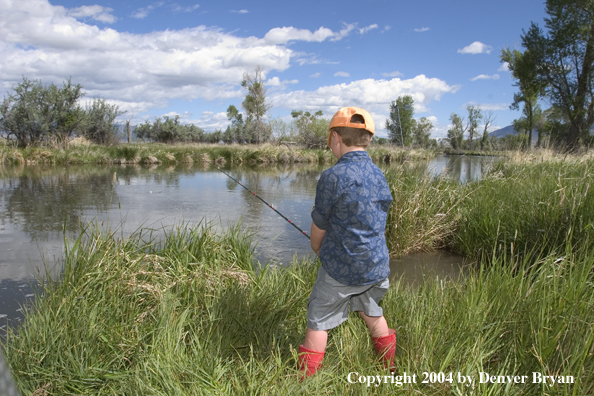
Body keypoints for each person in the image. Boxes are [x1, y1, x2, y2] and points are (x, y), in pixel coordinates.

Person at [298, 106, 395, 377]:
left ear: (335, 138)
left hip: (341, 269)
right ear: (369, 140)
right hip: (376, 267)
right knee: (372, 312)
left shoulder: (332, 177)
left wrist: (318, 249)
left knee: (318, 320)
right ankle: (389, 367)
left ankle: (304, 381)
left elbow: (319, 225)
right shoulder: (379, 175)